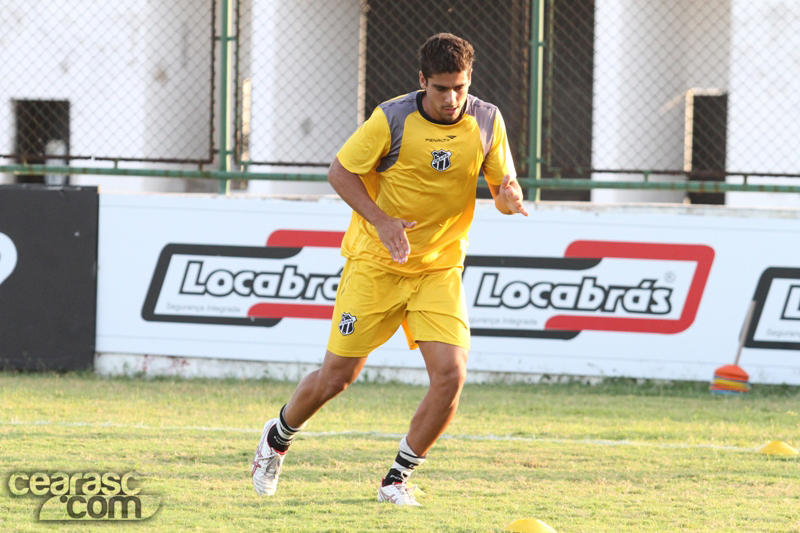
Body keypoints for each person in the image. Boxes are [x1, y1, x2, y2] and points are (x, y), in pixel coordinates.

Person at [251, 32, 528, 506]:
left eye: (459, 87)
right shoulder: (392, 117)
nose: (451, 98)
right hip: (376, 266)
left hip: (438, 268)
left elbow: (504, 190)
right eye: (441, 88)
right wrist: (382, 222)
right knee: (336, 378)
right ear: (422, 81)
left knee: (451, 374)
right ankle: (277, 437)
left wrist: (509, 199)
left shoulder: (487, 120)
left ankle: (395, 480)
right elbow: (340, 171)